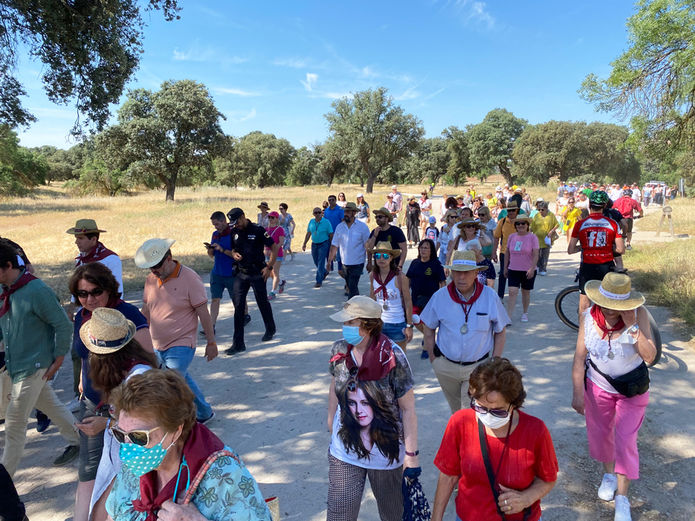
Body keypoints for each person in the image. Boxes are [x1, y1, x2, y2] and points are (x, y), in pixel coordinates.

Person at [106, 369, 272, 521]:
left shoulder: (224, 476)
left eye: (138, 437)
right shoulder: (135, 466)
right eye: (120, 434)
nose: (127, 446)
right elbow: (112, 515)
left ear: (176, 431)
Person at [571, 273, 656, 521]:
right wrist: (577, 392)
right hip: (597, 388)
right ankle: (609, 474)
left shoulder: (637, 315)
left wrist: (633, 327)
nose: (610, 312)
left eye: (617, 307)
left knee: (625, 441)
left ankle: (622, 497)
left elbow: (650, 356)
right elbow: (579, 358)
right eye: (606, 305)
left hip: (631, 392)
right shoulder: (587, 317)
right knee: (600, 435)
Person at [327, 296, 419, 521]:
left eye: (351, 323)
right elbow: (334, 384)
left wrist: (411, 455)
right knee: (339, 516)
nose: (345, 328)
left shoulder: (394, 356)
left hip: (386, 456)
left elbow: (407, 409)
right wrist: (331, 419)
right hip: (344, 452)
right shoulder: (339, 348)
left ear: (368, 326)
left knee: (394, 515)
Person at [432, 357, 558, 521]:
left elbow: (548, 479)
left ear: (514, 404)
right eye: (480, 407)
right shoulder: (460, 422)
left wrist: (526, 498)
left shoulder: (535, 431)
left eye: (498, 411)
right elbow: (448, 476)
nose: (487, 415)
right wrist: (436, 518)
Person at [0, 243, 79, 477]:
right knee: (51, 405)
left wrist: (58, 358)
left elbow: (63, 325)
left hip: (35, 366)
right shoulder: (6, 291)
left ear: (7, 266)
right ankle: (78, 440)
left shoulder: (37, 290)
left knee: (14, 424)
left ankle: (4, 490)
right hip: (16, 365)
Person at [71, 305, 157, 521]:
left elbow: (147, 435)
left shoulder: (138, 380)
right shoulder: (126, 370)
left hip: (139, 466)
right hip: (125, 460)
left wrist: (105, 425)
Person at [134, 238, 217, 421]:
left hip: (182, 342)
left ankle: (173, 423)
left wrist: (211, 342)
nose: (154, 270)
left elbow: (203, 312)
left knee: (169, 383)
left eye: (158, 265)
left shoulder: (190, 278)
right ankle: (204, 412)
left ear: (169, 258)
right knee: (181, 379)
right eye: (151, 267)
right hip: (156, 343)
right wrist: (138, 337)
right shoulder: (151, 280)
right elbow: (146, 310)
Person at [421, 250, 510, 413]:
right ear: (451, 273)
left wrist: (495, 361)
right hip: (445, 367)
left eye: (466, 272)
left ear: (476, 273)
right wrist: (434, 360)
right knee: (456, 410)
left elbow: (500, 331)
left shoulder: (489, 296)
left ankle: (467, 437)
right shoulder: (440, 297)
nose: (461, 277)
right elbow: (428, 328)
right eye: (457, 272)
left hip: (478, 367)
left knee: (468, 411)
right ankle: (462, 436)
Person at [66, 218, 124, 409]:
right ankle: (80, 394)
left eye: (80, 238)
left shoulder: (109, 259)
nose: (76, 241)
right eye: (76, 238)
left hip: (103, 314)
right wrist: (73, 306)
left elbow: (115, 290)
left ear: (93, 239)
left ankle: (109, 395)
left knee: (104, 354)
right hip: (83, 312)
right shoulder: (80, 259)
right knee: (78, 352)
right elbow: (77, 288)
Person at [225, 208, 278, 352]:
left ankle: (270, 328)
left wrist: (269, 267)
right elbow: (232, 249)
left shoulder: (258, 230)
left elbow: (274, 247)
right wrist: (234, 254)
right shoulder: (234, 232)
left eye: (237, 222)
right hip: (241, 274)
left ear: (243, 217)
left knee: (262, 302)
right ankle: (238, 344)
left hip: (257, 273)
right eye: (233, 223)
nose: (236, 225)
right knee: (238, 307)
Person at [568, 190, 625, 313]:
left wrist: (584, 247)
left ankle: (583, 330)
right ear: (604, 206)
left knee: (584, 302)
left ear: (589, 205)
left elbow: (571, 250)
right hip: (606, 265)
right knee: (606, 301)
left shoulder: (580, 224)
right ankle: (605, 328)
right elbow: (621, 249)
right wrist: (607, 246)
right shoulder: (612, 224)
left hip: (587, 266)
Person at [206, 211, 248, 333]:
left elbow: (238, 255)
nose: (215, 227)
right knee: (215, 299)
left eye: (217, 224)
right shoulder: (215, 234)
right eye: (214, 225)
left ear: (224, 221)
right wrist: (210, 250)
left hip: (231, 273)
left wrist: (222, 249)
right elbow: (211, 256)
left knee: (237, 299)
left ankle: (244, 315)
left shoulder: (234, 234)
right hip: (217, 273)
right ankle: (211, 326)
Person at [406, 239, 446, 358]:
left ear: (431, 250)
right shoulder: (414, 263)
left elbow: (442, 282)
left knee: (427, 323)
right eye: (421, 248)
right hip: (415, 298)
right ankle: (429, 336)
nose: (423, 250)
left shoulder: (436, 264)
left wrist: (442, 297)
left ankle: (426, 347)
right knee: (415, 319)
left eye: (426, 248)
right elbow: (408, 279)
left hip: (430, 300)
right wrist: (405, 294)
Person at [369, 242, 413, 350]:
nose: (381, 259)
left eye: (385, 256)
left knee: (399, 360)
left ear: (391, 258)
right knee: (380, 358)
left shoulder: (400, 277)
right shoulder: (373, 276)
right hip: (379, 324)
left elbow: (408, 302)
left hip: (397, 324)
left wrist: (409, 326)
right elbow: (372, 301)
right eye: (378, 256)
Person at [327, 202, 370, 299]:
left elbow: (368, 246)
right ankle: (357, 304)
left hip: (358, 262)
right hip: (345, 263)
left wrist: (370, 262)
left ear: (354, 213)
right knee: (351, 286)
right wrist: (329, 261)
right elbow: (334, 245)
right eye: (345, 211)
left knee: (353, 286)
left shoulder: (362, 227)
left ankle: (350, 307)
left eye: (348, 211)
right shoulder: (340, 227)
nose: (345, 213)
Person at [503, 216, 539, 323]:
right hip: (513, 269)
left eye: (523, 223)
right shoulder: (512, 237)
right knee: (512, 291)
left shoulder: (533, 237)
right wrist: (505, 267)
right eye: (518, 224)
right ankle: (508, 317)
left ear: (527, 225)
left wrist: (532, 268)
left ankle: (525, 312)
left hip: (527, 270)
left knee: (525, 292)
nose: (520, 226)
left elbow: (536, 254)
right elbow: (507, 252)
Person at [492, 201, 521, 300]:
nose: (511, 212)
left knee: (516, 273)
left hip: (518, 253)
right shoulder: (502, 221)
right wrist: (494, 252)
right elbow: (496, 237)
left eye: (513, 210)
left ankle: (514, 294)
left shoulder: (521, 222)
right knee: (503, 273)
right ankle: (500, 295)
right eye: (509, 210)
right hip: (504, 252)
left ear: (517, 210)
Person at [365, 207, 407, 273]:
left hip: (394, 266)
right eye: (376, 217)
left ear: (387, 218)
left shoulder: (396, 231)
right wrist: (374, 236)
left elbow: (404, 249)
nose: (377, 219)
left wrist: (400, 266)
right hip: (379, 266)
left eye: (380, 217)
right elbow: (369, 248)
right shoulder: (374, 232)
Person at [303, 207, 334, 289]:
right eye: (315, 213)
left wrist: (332, 246)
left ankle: (318, 281)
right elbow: (308, 233)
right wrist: (304, 243)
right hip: (314, 244)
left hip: (324, 244)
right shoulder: (311, 222)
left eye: (319, 212)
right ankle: (324, 272)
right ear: (313, 214)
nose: (317, 214)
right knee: (316, 261)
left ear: (322, 213)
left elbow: (331, 234)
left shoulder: (326, 222)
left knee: (320, 262)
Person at [531, 201, 558, 276]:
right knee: (537, 254)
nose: (540, 211)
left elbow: (556, 224)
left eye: (542, 209)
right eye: (539, 209)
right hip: (537, 238)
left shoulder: (551, 215)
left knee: (545, 254)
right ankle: (538, 267)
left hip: (546, 239)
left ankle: (543, 268)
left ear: (546, 209)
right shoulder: (537, 215)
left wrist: (551, 231)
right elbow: (532, 226)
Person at [265, 211, 286, 300]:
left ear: (277, 219)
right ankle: (281, 282)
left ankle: (273, 292)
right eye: (269, 217)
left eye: (272, 217)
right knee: (270, 272)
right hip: (267, 254)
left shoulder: (280, 229)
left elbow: (281, 242)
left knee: (275, 271)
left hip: (277, 254)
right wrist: (265, 250)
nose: (270, 219)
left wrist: (273, 251)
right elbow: (264, 242)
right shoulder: (266, 230)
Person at [324, 195, 345, 272]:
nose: (331, 201)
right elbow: (325, 222)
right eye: (329, 200)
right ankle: (330, 266)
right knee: (329, 250)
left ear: (336, 200)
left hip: (338, 233)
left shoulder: (340, 209)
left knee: (339, 252)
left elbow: (343, 221)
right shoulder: (326, 211)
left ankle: (340, 267)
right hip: (329, 233)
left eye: (332, 200)